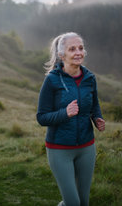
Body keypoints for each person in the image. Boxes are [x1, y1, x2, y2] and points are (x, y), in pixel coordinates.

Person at [37, 32, 105, 206]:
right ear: (62, 55)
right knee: (73, 203)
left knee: (83, 202)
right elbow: (42, 117)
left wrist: (97, 118)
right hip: (59, 149)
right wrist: (64, 113)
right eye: (72, 49)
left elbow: (94, 105)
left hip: (86, 148)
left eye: (81, 48)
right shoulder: (52, 80)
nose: (78, 52)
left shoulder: (90, 78)